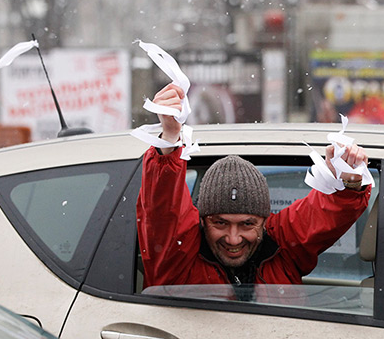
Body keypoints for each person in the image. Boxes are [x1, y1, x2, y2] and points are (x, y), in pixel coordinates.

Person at [137, 83, 371, 290]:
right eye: (220, 223)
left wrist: (349, 181)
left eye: (247, 224)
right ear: (202, 220)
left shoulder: (283, 248)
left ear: (264, 221)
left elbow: (325, 215)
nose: (233, 239)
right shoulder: (177, 259)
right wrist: (168, 139)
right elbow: (163, 211)